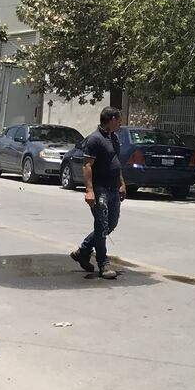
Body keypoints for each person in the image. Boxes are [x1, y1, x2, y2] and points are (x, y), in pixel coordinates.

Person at [70, 106, 127, 280]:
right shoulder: (94, 139)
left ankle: (83, 251)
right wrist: (89, 190)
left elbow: (115, 162)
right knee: (101, 226)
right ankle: (103, 263)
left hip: (113, 188)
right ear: (112, 119)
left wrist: (122, 184)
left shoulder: (114, 138)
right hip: (99, 189)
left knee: (110, 224)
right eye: (119, 119)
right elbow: (87, 165)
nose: (120, 123)